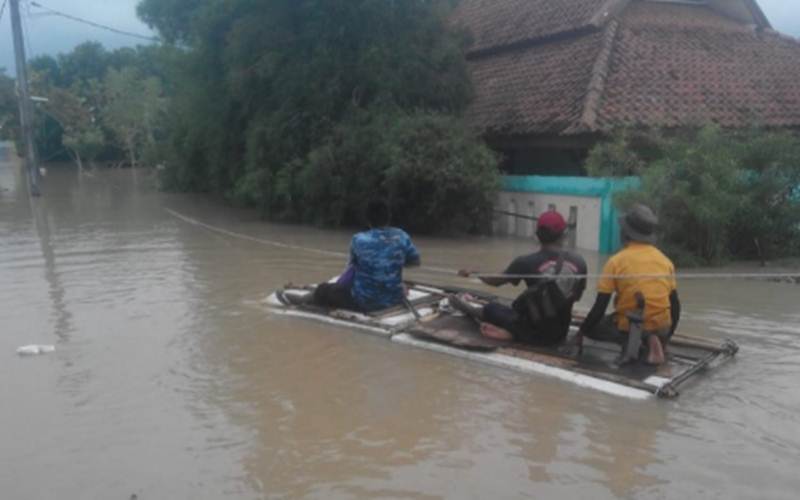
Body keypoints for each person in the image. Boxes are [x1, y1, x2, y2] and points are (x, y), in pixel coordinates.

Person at [453, 210, 587, 346]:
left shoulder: (525, 262)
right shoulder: (580, 261)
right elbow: (577, 297)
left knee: (491, 309)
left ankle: (507, 331)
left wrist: (475, 272)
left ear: (537, 235)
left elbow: (496, 281)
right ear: (563, 234)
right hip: (560, 333)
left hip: (533, 333)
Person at [577, 203, 681, 365]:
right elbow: (675, 306)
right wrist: (666, 337)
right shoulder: (665, 261)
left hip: (632, 327)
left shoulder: (616, 262)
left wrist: (582, 331)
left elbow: (599, 308)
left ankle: (635, 343)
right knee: (638, 319)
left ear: (625, 233)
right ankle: (655, 340)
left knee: (595, 326)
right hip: (663, 327)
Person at [287, 199, 421, 312]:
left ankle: (301, 300)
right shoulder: (401, 236)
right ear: (389, 217)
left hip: (364, 302)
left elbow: (351, 268)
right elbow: (415, 262)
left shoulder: (359, 239)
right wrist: (392, 261)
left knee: (323, 289)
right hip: (394, 299)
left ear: (368, 219)